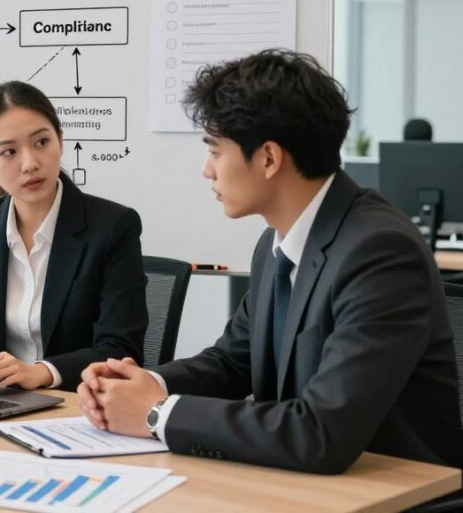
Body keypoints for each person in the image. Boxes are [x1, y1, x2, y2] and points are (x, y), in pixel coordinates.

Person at [79, 49, 463, 473]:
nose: (207, 170)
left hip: (393, 495)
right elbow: (233, 360)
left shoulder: (380, 252)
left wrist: (157, 414)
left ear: (268, 158)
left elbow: (322, 432)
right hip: (303, 484)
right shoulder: (276, 243)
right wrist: (146, 385)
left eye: (215, 150)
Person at [0, 81, 147, 392]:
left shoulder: (113, 227)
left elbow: (120, 349)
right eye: (9, 152)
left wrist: (40, 372)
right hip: (2, 405)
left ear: (60, 140)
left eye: (41, 142)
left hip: (79, 406)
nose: (30, 163)